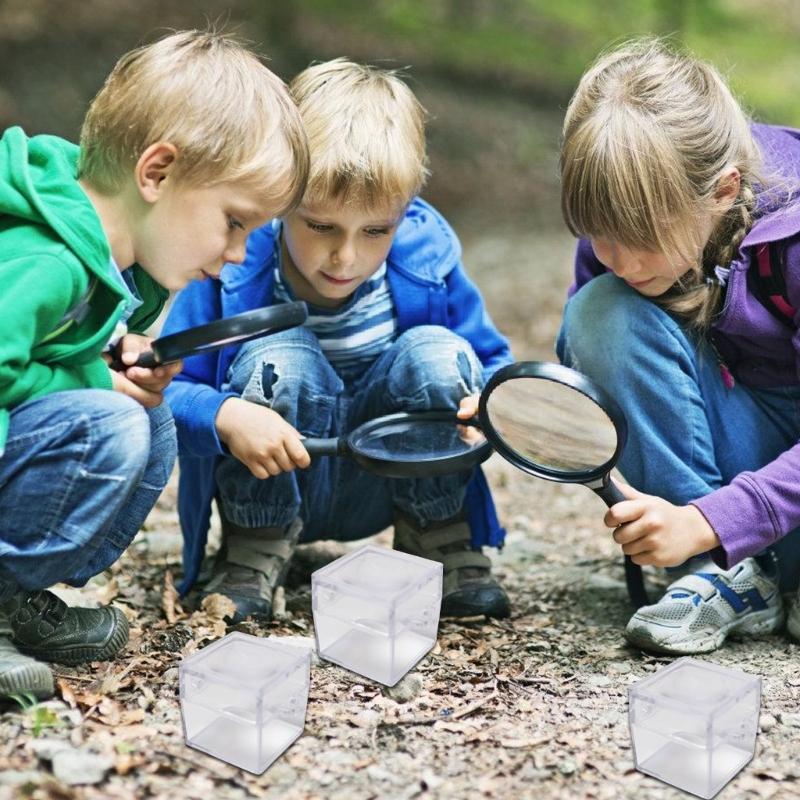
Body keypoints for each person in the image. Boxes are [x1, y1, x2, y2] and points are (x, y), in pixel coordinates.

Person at [0, 30, 309, 698]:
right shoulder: (48, 260)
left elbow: (46, 355)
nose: (237, 253)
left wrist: (110, 355)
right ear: (157, 173)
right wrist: (90, 379)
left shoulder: (100, 263)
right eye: (235, 221)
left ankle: (12, 599)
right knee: (109, 424)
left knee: (150, 422)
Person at [164, 59, 513, 625]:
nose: (345, 257)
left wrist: (491, 402)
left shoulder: (426, 261)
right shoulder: (233, 268)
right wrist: (225, 415)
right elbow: (168, 394)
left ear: (403, 213)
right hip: (275, 473)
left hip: (390, 476)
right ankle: (255, 547)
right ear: (280, 200)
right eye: (321, 226)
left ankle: (438, 534)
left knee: (437, 351)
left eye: (375, 230)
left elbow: (493, 363)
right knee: (281, 353)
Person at [556, 38, 800, 655]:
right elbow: (607, 370)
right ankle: (717, 578)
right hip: (748, 439)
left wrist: (708, 521)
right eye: (598, 234)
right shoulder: (620, 234)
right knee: (602, 312)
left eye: (640, 238)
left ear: (724, 189)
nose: (616, 258)